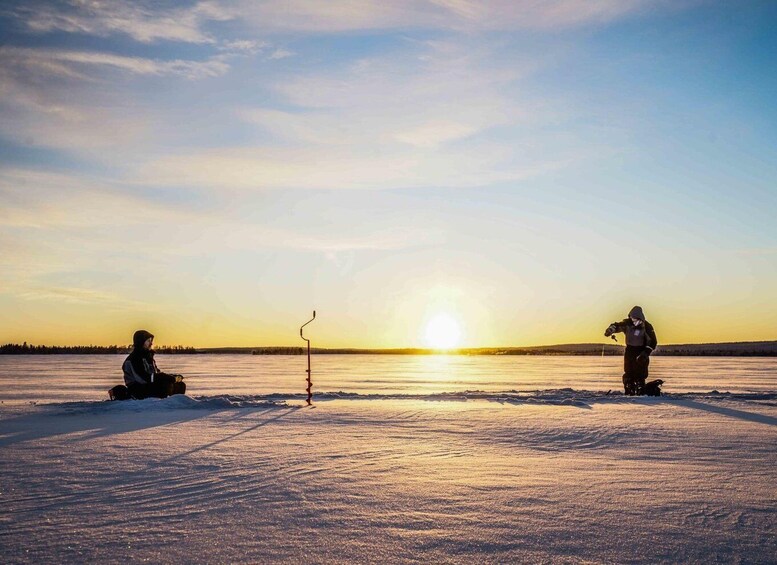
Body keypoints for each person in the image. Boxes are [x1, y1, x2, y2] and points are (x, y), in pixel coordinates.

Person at [604, 306, 658, 396]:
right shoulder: (627, 323)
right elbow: (617, 326)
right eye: (633, 318)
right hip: (630, 350)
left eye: (637, 319)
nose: (635, 321)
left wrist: (645, 353)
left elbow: (653, 341)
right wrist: (610, 330)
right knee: (628, 372)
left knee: (641, 373)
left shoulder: (647, 326)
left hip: (642, 351)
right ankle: (629, 389)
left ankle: (641, 390)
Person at [122, 330, 186, 399]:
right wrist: (163, 377)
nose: (151, 343)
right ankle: (164, 406)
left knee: (180, 385)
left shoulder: (148, 357)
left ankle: (175, 404)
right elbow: (142, 379)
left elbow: (156, 373)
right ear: (141, 342)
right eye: (148, 341)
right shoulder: (133, 359)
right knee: (165, 385)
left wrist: (172, 377)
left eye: (151, 341)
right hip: (138, 389)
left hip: (149, 385)